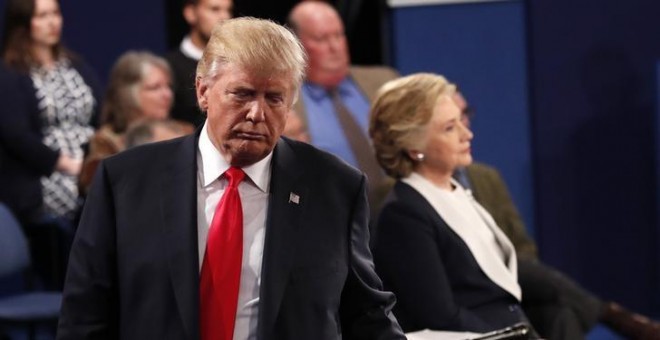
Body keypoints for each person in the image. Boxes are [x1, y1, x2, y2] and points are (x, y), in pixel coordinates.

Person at [58, 17, 405, 340]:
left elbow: (366, 314)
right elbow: (85, 319)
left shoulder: (335, 187)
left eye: (274, 98)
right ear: (203, 91)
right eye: (242, 94)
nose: (257, 113)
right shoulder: (124, 183)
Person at [453, 91, 660, 340]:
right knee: (557, 299)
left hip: (515, 277)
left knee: (559, 310)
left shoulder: (487, 177)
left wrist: (515, 275)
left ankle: (610, 314)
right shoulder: (416, 193)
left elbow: (522, 242)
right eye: (453, 121)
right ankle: (610, 314)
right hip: (473, 289)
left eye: (466, 114)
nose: (466, 127)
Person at [369, 73, 538, 335]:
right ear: (414, 147)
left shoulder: (456, 192)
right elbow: (441, 316)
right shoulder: (404, 214)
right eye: (449, 128)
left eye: (461, 121)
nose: (466, 134)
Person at [287, 1, 399, 213]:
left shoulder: (385, 81)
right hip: (331, 218)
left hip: (401, 213)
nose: (334, 46)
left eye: (338, 35)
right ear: (296, 44)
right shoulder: (284, 99)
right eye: (321, 39)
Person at [1, 0, 101, 225]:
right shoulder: (10, 74)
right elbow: (17, 137)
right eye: (42, 16)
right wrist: (71, 165)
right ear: (23, 23)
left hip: (89, 161)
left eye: (55, 14)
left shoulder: (75, 66)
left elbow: (100, 116)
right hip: (46, 174)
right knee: (98, 199)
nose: (52, 22)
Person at [79, 51, 192, 193]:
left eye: (169, 86)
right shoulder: (105, 142)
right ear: (128, 94)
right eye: (155, 87)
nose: (167, 95)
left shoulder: (186, 132)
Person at [166, 0, 233, 127]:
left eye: (228, 10)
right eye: (215, 9)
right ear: (190, 13)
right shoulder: (169, 67)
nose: (225, 17)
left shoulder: (237, 63)